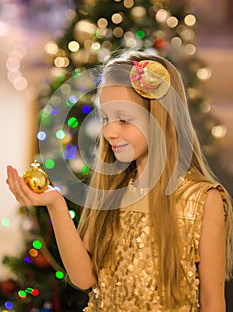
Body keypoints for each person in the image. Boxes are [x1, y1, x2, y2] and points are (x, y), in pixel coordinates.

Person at [6, 51, 233, 311]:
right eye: (105, 118)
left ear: (160, 118)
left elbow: (213, 301)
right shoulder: (111, 191)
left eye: (124, 119)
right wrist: (55, 203)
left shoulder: (203, 201)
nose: (110, 131)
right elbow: (83, 278)